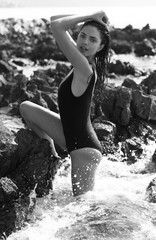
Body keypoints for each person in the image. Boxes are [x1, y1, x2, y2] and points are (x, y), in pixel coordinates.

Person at [20, 11, 110, 196]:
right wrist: (90, 18)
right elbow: (55, 19)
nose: (85, 42)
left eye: (92, 40)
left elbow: (57, 27)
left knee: (83, 210)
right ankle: (52, 154)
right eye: (82, 35)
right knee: (26, 108)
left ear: (100, 47)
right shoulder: (81, 61)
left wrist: (91, 15)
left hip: (84, 150)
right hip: (71, 138)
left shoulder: (84, 68)